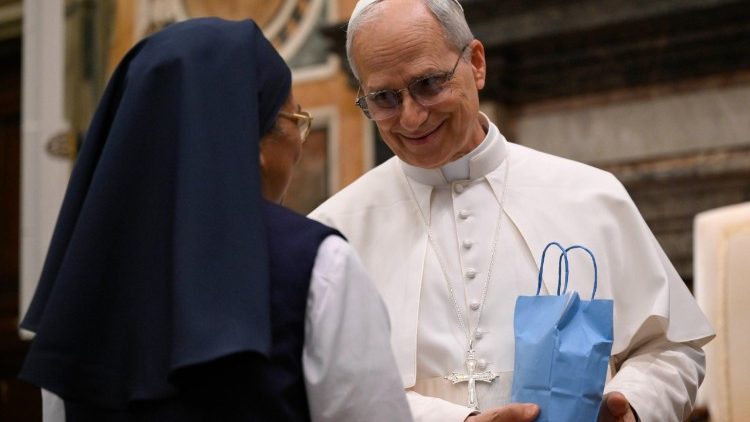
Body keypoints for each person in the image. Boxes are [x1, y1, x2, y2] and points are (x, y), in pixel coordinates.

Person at [309, 1, 715, 421]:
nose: (411, 118)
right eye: (384, 99)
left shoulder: (591, 196)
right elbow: (328, 393)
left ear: (476, 64)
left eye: (428, 84)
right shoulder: (332, 234)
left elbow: (671, 347)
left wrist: (632, 406)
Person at [18, 17, 412, 422]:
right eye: (295, 121)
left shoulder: (80, 282)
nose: (299, 145)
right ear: (247, 140)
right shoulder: (319, 266)